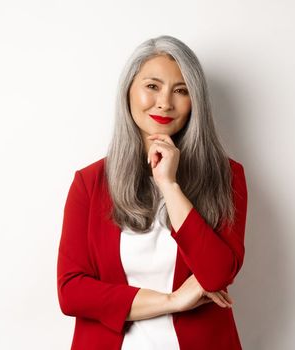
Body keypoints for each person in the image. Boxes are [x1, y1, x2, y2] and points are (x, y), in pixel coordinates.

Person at [56, 35, 248, 350]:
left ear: (195, 101)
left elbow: (215, 276)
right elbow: (71, 292)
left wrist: (169, 185)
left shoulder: (227, 177)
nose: (165, 103)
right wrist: (172, 301)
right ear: (129, 90)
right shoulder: (90, 183)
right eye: (152, 86)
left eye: (181, 90)